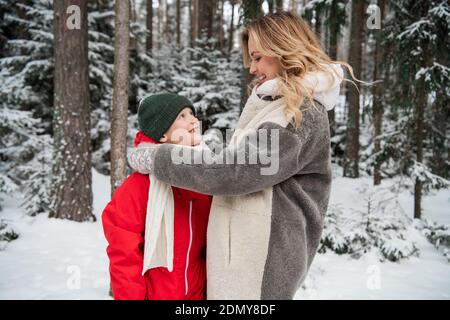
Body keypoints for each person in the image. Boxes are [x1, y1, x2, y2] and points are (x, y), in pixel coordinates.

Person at [127, 12, 352, 299]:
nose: (253, 68)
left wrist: (158, 158)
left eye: (258, 58)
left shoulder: (299, 113)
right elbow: (246, 162)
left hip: (263, 262)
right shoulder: (278, 104)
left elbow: (233, 172)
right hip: (247, 256)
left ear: (283, 50)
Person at [102, 93, 212, 300]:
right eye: (182, 116)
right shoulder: (137, 188)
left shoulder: (204, 180)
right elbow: (124, 257)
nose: (193, 120)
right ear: (162, 134)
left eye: (192, 114)